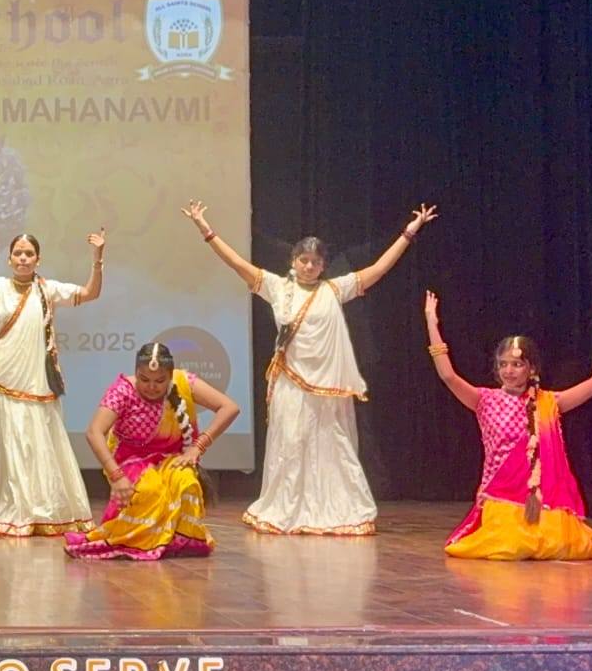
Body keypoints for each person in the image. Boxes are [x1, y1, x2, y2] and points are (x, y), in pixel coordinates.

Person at [182, 200, 437, 535]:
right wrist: (205, 229)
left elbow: (378, 270)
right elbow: (237, 263)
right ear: (293, 261)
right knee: (290, 443)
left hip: (329, 388)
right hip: (290, 381)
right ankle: (286, 508)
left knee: (333, 446)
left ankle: (338, 509)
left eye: (315, 262)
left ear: (323, 266)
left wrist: (409, 232)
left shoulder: (335, 289)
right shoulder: (277, 288)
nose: (309, 266)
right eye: (303, 260)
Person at [425, 291, 592, 560]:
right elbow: (448, 375)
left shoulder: (549, 402)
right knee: (510, 545)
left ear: (531, 369)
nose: (509, 371)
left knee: (564, 545)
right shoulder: (484, 400)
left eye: (516, 364)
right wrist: (431, 324)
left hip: (543, 500)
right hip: (501, 498)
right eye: (503, 364)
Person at [0, 228, 105, 536]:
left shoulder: (48, 289)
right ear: (9, 259)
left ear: (38, 259)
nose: (23, 258)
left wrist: (97, 258)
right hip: (2, 375)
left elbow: (89, 293)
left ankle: (37, 510)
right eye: (18, 253)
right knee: (1, 442)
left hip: (36, 379)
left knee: (35, 441)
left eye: (29, 254)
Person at [65, 342, 240, 560]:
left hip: (172, 459)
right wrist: (116, 476)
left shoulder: (184, 383)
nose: (151, 387)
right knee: (150, 491)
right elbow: (94, 432)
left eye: (159, 381)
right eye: (144, 379)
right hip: (131, 460)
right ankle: (140, 543)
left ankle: (176, 543)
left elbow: (230, 408)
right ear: (136, 372)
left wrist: (198, 446)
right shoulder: (122, 390)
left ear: (170, 376)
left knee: (187, 483)